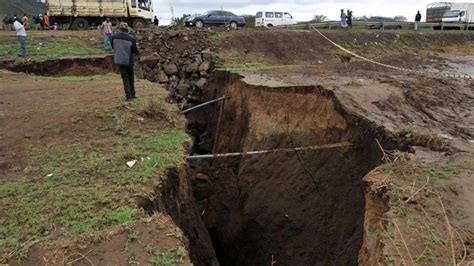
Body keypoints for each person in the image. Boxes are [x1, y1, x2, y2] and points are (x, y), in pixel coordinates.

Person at [111, 23, 139, 101]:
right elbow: (135, 51)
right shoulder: (131, 39)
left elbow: (113, 46)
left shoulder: (114, 37)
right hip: (129, 61)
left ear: (120, 29)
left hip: (120, 61)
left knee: (125, 79)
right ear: (127, 30)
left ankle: (128, 96)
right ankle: (132, 95)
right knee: (131, 78)